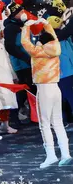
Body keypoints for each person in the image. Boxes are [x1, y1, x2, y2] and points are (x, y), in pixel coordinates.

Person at [21, 20, 72, 168]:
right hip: (56, 88)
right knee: (58, 122)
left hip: (44, 89)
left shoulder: (39, 52)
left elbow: (25, 42)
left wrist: (26, 26)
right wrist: (47, 25)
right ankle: (65, 154)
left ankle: (51, 155)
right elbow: (54, 37)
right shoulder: (56, 47)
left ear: (41, 43)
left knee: (44, 124)